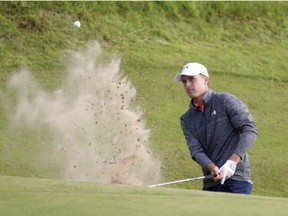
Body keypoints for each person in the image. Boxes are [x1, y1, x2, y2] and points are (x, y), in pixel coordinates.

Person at [174, 62, 258, 194]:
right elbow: (196, 151)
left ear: (205, 80)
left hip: (237, 180)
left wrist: (232, 162)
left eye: (192, 79)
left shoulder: (225, 101)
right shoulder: (187, 119)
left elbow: (250, 130)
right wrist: (212, 167)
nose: (187, 85)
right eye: (184, 81)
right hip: (211, 182)